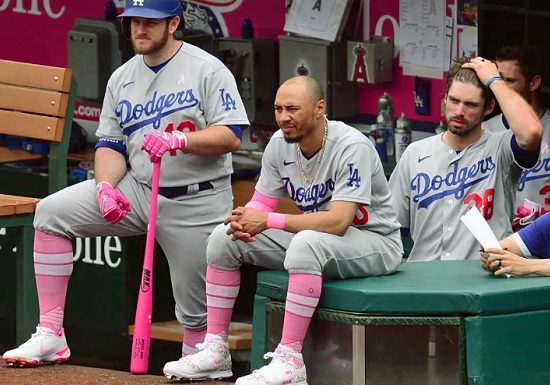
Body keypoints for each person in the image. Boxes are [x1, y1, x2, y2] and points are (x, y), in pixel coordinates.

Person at [3, 0, 249, 368]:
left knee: (197, 321)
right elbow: (110, 144)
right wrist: (105, 186)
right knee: (50, 214)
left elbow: (232, 135)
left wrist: (182, 141)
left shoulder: (206, 69)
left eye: (150, 22)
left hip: (196, 200)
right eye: (134, 22)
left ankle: (207, 365)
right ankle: (51, 334)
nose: (140, 29)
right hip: (138, 189)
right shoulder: (122, 77)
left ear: (173, 23)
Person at [161, 76, 403, 384]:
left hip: (375, 243)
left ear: (319, 109)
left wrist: (269, 221)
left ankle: (290, 361)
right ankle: (215, 350)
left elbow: (338, 221)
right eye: (278, 109)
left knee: (306, 243)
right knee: (224, 239)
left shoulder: (351, 146)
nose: (283, 117)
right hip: (321, 242)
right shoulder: (280, 144)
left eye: (292, 109)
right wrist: (246, 218)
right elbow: (263, 203)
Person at [388, 56, 542, 262]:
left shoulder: (501, 148)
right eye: (454, 101)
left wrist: (495, 81)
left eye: (470, 104)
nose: (459, 112)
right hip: (425, 282)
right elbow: (391, 227)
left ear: (488, 108)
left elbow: (531, 132)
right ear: (445, 99)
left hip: (484, 280)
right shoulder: (415, 153)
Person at [482, 43, 550, 230]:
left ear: (534, 83)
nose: (500, 88)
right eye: (497, 80)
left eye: (509, 81)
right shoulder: (484, 131)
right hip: (501, 239)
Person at [481, 211, 550, 276]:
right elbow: (503, 248)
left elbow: (522, 265)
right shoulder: (546, 222)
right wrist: (492, 256)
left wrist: (528, 265)